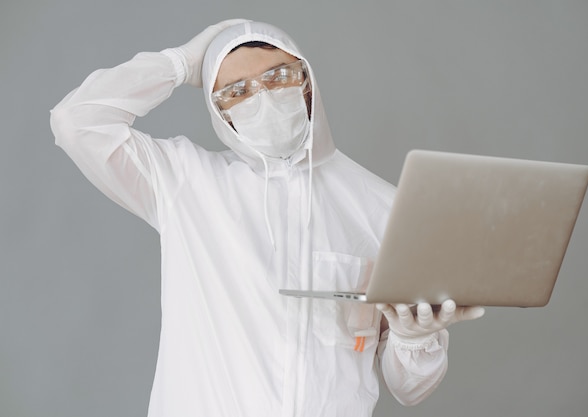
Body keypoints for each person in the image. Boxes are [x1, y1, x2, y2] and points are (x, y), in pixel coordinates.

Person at [50, 19, 484, 417]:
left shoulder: (382, 206)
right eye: (236, 91)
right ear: (221, 113)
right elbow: (76, 122)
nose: (261, 97)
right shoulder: (186, 183)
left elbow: (410, 389)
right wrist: (179, 64)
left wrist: (414, 339)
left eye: (277, 77)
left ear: (307, 82)